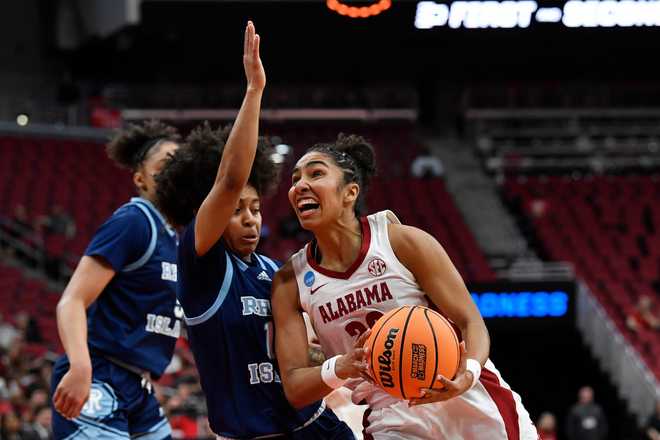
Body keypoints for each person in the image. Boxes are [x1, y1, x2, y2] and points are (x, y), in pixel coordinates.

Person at [155, 21, 354, 439]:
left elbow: (294, 355)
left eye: (256, 208)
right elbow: (229, 180)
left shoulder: (272, 270)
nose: (250, 218)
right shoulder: (201, 264)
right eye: (236, 211)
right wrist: (254, 92)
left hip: (318, 426)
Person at [271, 133, 539, 439]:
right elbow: (294, 387)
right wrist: (341, 366)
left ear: (350, 193)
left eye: (315, 173)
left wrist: (468, 373)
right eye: (295, 179)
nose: (299, 186)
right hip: (391, 414)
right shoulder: (290, 281)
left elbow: (470, 321)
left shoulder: (402, 242)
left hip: (463, 393)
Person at [51, 119, 182, 439]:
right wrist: (81, 367)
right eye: (165, 164)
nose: (175, 171)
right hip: (98, 372)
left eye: (180, 165)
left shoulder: (177, 239)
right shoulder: (134, 221)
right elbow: (71, 301)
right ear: (140, 179)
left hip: (138, 385)